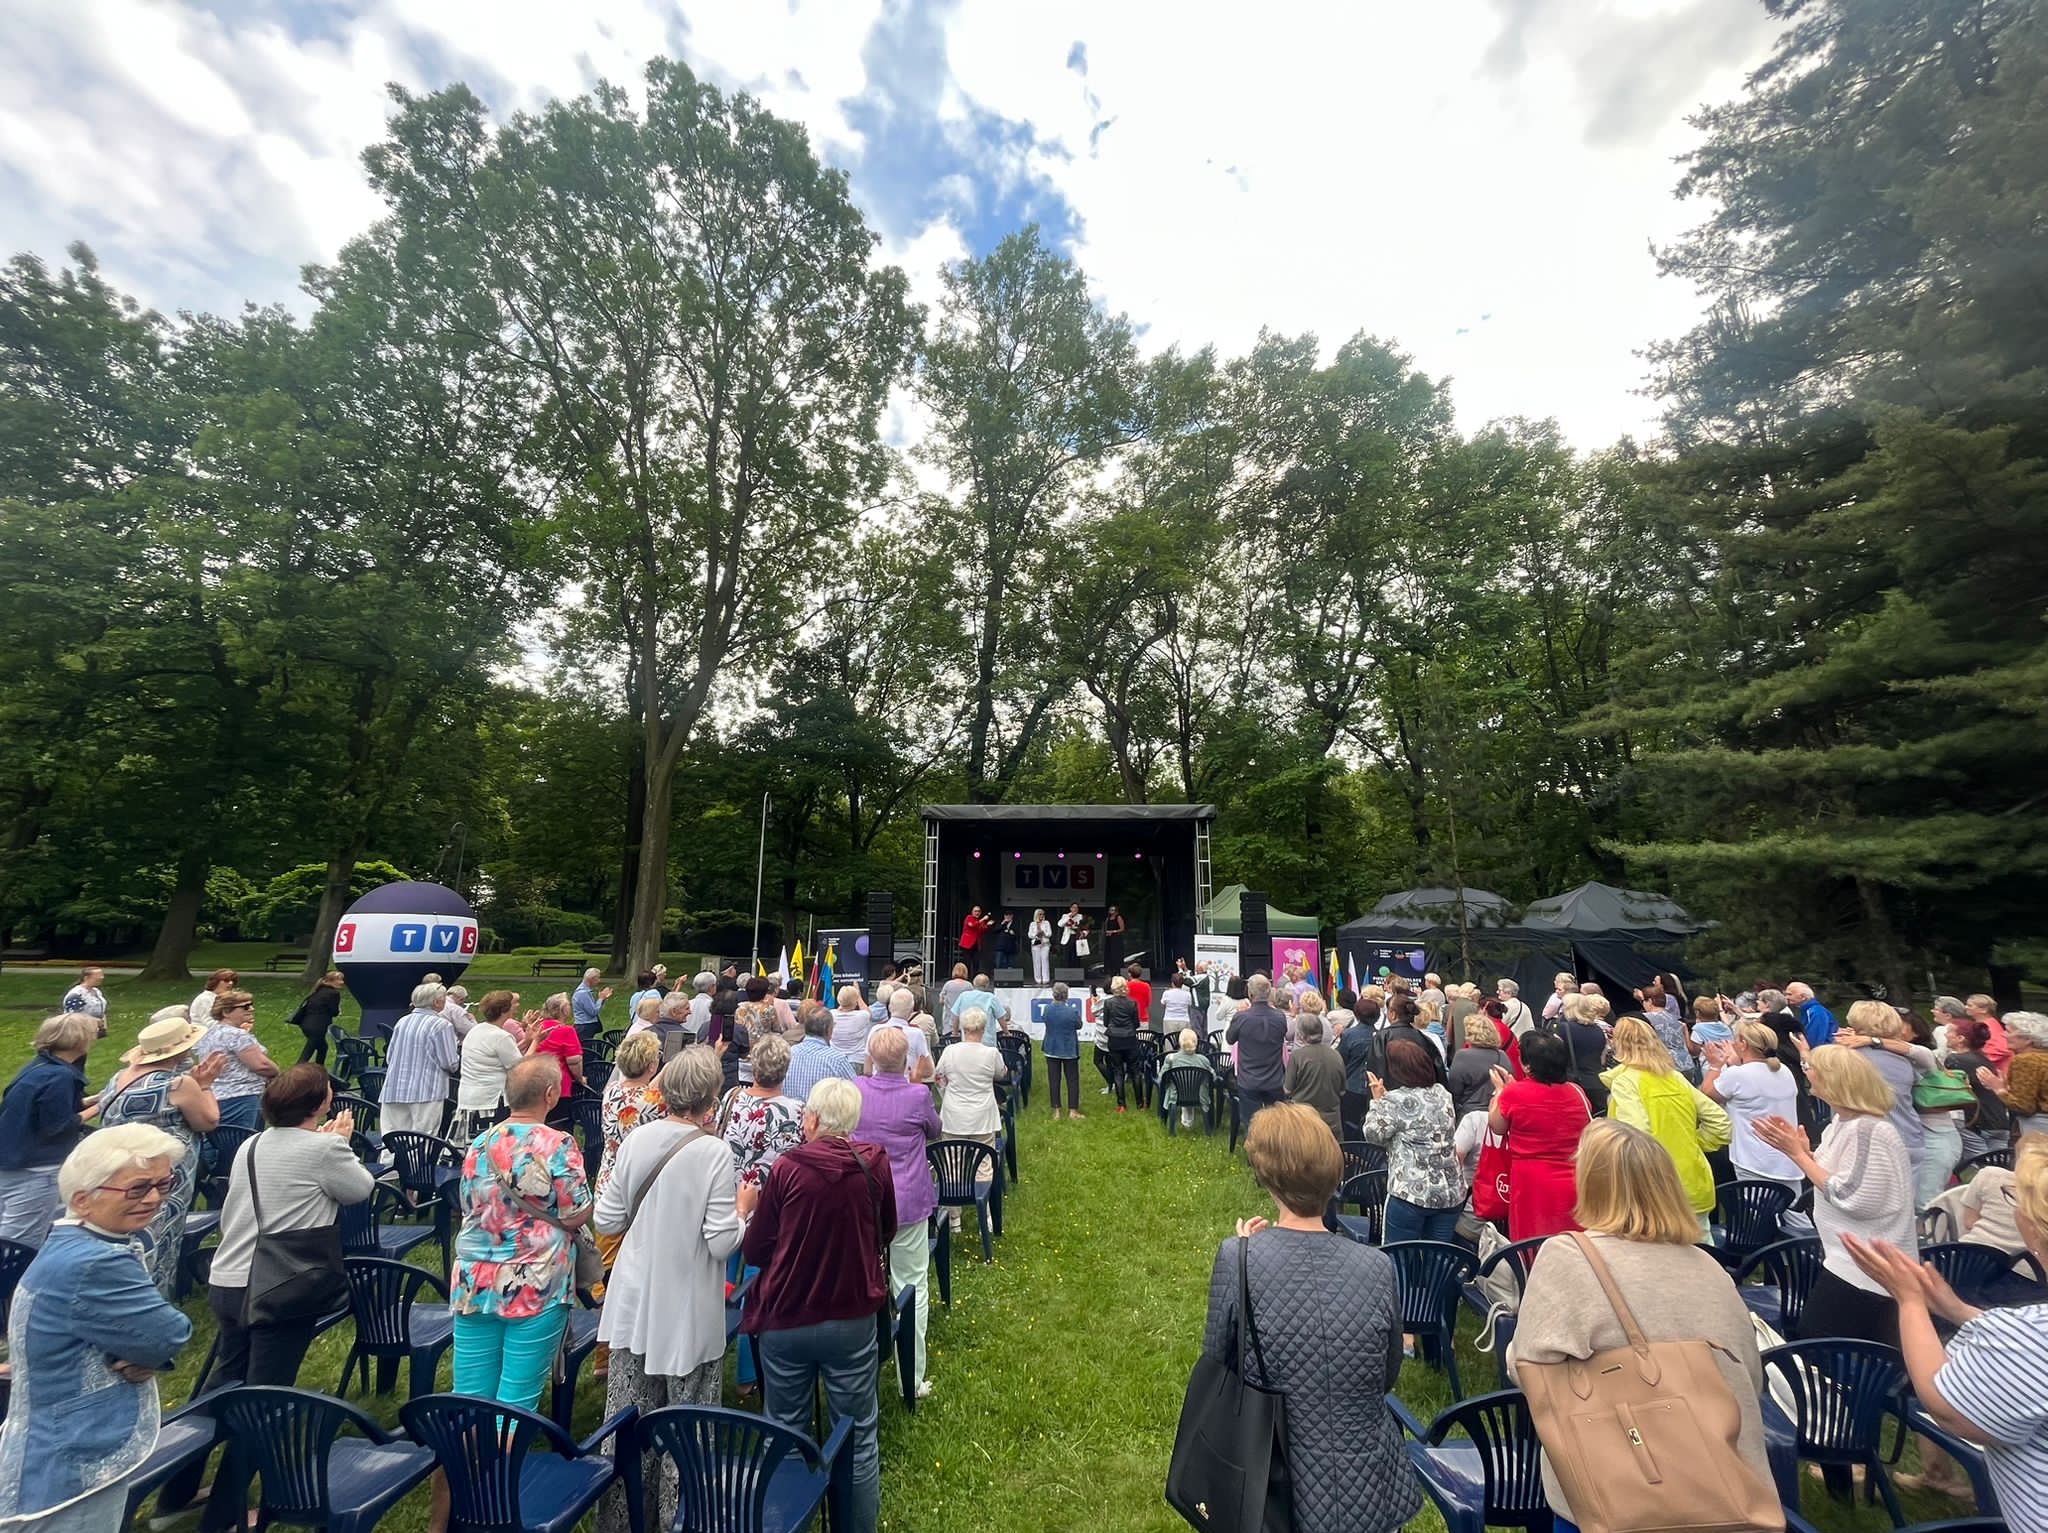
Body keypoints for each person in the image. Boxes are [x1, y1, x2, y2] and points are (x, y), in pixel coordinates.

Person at [1506, 1120, 1774, 1525]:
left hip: (1617, 1490)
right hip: (1724, 1485)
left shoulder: (1568, 1257)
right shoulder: (1710, 1266)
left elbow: (1527, 1369)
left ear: (1590, 1184)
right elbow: (1750, 1377)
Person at [1200, 1103, 1417, 1533]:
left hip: (1270, 1473)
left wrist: (1246, 1256)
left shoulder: (1237, 1257)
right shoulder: (1378, 1267)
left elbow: (1217, 1366)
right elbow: (1387, 1372)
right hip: (1368, 1483)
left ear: (1267, 1178)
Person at [1840, 1136, 2048, 1526]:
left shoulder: (2029, 1335)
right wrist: (1957, 1310)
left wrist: (1911, 1301)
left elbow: (1947, 1408)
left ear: (2034, 1231)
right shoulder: (2026, 1332)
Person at [0, 1125, 194, 1533]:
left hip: (51, 1440)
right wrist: (145, 1351)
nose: (156, 1198)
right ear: (82, 1200)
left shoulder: (75, 1242)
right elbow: (170, 1333)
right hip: (71, 1458)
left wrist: (139, 1351)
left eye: (164, 1183)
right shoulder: (96, 1263)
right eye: (138, 1189)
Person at [595, 1047, 746, 1533]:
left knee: (628, 1419)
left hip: (634, 1299)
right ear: (711, 1097)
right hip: (685, 1306)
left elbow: (606, 1218)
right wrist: (746, 1210)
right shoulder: (713, 1152)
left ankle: (622, 1519)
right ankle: (680, 1518)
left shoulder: (638, 1139)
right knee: (688, 1427)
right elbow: (721, 1241)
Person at [743, 1077, 892, 1533]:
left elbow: (757, 1247)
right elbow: (886, 1229)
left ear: (812, 1119)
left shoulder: (788, 1168)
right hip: (850, 1313)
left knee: (786, 1431)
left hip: (788, 1313)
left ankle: (787, 1521)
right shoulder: (873, 1163)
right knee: (858, 1435)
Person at [207, 1064, 375, 1386]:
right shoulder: (325, 1148)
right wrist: (341, 1143)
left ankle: (203, 1430)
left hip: (229, 1274)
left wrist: (325, 1144)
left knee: (230, 1372)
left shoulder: (251, 1145)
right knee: (268, 1383)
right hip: (282, 1282)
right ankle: (256, 1435)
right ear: (318, 1105)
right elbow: (359, 1189)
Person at [450, 1057, 592, 1411]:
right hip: (536, 1282)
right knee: (516, 1399)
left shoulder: (479, 1144)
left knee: (468, 1394)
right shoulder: (557, 1143)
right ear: (550, 1095)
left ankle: (462, 1459)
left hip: (474, 1279)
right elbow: (575, 1213)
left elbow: (468, 1202)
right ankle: (501, 1463)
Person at [1751, 1045, 1915, 1348]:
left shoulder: (1869, 1131)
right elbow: (1844, 1176)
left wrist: (1799, 1156)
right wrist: (1806, 1153)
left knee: (1820, 1349)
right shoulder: (1842, 1123)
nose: (1805, 1071)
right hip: (1847, 1261)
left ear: (1834, 1080)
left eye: (1810, 1066)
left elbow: (1854, 1197)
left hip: (1867, 1272)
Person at [94, 1015, 225, 1295]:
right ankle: (153, 1299)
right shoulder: (177, 1085)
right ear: (182, 1050)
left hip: (121, 1169)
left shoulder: (120, 1078)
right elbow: (209, 1120)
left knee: (130, 1234)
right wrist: (206, 1084)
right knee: (161, 1236)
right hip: (165, 1175)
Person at [855, 1027, 941, 1399]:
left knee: (865, 1280)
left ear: (872, 1059)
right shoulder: (917, 1094)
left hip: (864, 1200)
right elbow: (936, 1132)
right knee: (912, 1284)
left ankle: (874, 1370)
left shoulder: (859, 1089)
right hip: (903, 1201)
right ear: (906, 1061)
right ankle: (913, 1376)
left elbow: (933, 1130)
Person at [1602, 1015, 1731, 1237]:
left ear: (1618, 1043)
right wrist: (1690, 1142)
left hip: (1654, 1188)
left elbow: (1635, 1136)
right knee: (1703, 1257)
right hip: (1693, 1180)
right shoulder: (1675, 1078)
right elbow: (1721, 1124)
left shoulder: (1626, 1081)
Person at [0, 1013, 101, 1246]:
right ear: (80, 1041)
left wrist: (95, 1099)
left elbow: (49, 1107)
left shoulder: (39, 1067)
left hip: (10, 1158)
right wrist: (100, 1107)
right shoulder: (61, 1077)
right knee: (20, 1241)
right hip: (36, 1169)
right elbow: (57, 1125)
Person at [1489, 1032, 1593, 1242]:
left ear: (1527, 1066)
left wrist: (1500, 1091)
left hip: (1531, 1180)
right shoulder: (1576, 1091)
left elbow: (1497, 1126)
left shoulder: (1514, 1093)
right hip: (1575, 1175)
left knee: (1532, 1239)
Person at [1361, 1038, 1464, 1243]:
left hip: (1410, 1192)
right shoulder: (1442, 1094)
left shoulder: (1394, 1101)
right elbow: (1416, 1117)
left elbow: (1372, 1134)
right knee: (1436, 1260)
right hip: (1449, 1191)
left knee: (1401, 1257)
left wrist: (1378, 1102)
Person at [1700, 1020, 1805, 1221]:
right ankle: (1808, 1250)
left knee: (1757, 1218)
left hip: (1753, 1158)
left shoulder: (1737, 1075)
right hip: (1788, 1158)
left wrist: (1715, 1065)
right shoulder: (1784, 1071)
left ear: (1743, 1044)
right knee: (1796, 1218)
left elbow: (1707, 1093)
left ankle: (1765, 1250)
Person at [721, 1032, 804, 1191]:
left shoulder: (732, 1097)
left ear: (754, 1065)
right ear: (785, 1069)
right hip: (773, 1200)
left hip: (729, 1194)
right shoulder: (798, 1111)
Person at [192, 989, 279, 1131]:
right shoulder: (236, 1035)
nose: (251, 1009)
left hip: (216, 1096)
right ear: (226, 1012)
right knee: (243, 1143)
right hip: (242, 1097)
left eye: (251, 1005)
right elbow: (261, 1065)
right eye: (245, 1007)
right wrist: (276, 1072)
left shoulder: (211, 1033)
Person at [384, 980, 460, 1137]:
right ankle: (417, 1162)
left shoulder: (402, 1022)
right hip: (427, 1089)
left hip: (394, 1086)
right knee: (423, 1138)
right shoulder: (441, 1025)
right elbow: (449, 1063)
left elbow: (389, 1056)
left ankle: (388, 1162)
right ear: (437, 1002)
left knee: (393, 1137)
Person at [457, 990, 527, 1140]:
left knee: (472, 1148)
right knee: (491, 1146)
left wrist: (528, 1040)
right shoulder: (501, 1036)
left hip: (468, 1097)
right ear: (504, 1010)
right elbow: (520, 1067)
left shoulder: (476, 1030)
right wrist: (535, 1041)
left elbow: (502, 1055)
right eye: (513, 1004)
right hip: (490, 1102)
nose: (517, 1006)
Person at [1945, 1016, 2011, 1161]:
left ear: (1960, 1038)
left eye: (1949, 1032)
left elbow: (1949, 1091)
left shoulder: (1955, 1060)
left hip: (1975, 1122)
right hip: (1999, 1121)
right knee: (2000, 1167)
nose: (1945, 1035)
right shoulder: (1984, 1059)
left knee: (1982, 1168)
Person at [1976, 1010, 2048, 1138]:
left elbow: (2023, 1106)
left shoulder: (2026, 1060)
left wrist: (1999, 1089)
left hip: (2039, 1127)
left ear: (2027, 1039)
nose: (2003, 1035)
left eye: (2008, 1031)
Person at [1227, 974, 1289, 1119]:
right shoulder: (1280, 1017)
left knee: (1252, 1123)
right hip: (1274, 1079)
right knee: (1275, 1124)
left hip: (1249, 1080)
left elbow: (1230, 1039)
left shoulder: (1241, 1017)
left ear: (1250, 994)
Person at [1283, 1012, 1345, 1138]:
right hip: (1331, 1123)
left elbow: (1287, 1090)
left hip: (1303, 1120)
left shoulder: (1297, 1056)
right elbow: (1342, 1090)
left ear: (1301, 1035)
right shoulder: (1336, 1055)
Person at [786, 998, 858, 1101]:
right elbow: (855, 1091)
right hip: (823, 1115)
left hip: (791, 1114)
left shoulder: (788, 1053)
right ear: (829, 1030)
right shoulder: (837, 1060)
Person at [528, 992, 588, 1113]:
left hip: (536, 1082)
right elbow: (574, 1061)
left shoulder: (537, 1028)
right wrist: (580, 1079)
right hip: (559, 1085)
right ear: (563, 1010)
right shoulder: (566, 1030)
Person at [1446, 1012, 1511, 1124]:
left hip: (1469, 1116)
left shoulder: (1462, 1056)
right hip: (1496, 1114)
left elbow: (1454, 1091)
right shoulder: (1502, 1055)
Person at [1554, 992, 1612, 1113]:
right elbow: (1602, 1058)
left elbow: (1554, 1055)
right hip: (1597, 1082)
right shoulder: (1598, 1030)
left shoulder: (1564, 1028)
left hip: (1574, 1084)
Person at [863, 987, 935, 1083]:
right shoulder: (917, 1033)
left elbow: (867, 1070)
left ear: (889, 1007)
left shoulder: (875, 1030)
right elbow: (928, 1070)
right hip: (906, 1087)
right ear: (911, 1009)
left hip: (879, 1086)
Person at [1157, 1028, 1216, 1129]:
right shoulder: (1203, 1060)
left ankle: (1175, 1124)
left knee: (1171, 1088)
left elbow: (1161, 1077)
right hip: (1199, 1095)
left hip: (1176, 1096)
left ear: (1179, 1042)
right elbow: (1213, 1077)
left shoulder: (1171, 1059)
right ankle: (1200, 1125)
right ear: (1196, 1043)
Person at [288, 969, 347, 1065]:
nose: (342, 982)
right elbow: (334, 1012)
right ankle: (297, 1072)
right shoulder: (334, 993)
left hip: (306, 1024)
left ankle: (319, 1068)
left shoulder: (318, 990)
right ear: (330, 981)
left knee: (323, 1047)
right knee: (306, 1054)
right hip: (318, 1026)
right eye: (339, 980)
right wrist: (338, 1011)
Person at [946, 972, 1009, 1041]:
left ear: (974, 984)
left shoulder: (963, 996)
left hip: (967, 1040)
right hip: (987, 1042)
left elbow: (955, 1016)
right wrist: (1006, 1032)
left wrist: (955, 1032)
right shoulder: (991, 998)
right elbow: (1001, 1019)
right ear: (987, 985)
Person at [1786, 980, 1838, 1046]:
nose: (1786, 997)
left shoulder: (1816, 1012)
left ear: (1803, 997)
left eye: (1790, 994)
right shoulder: (1807, 1011)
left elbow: (1814, 1041)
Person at [829, 983, 873, 1062]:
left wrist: (844, 1001)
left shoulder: (831, 1014)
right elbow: (868, 1012)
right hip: (857, 1060)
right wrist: (858, 995)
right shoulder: (861, 1016)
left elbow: (842, 1006)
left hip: (835, 1059)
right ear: (855, 1002)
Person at [572, 968, 613, 1037]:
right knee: (587, 1047)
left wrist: (603, 999)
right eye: (598, 978)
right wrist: (601, 999)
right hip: (584, 1027)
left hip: (585, 1026)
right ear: (591, 979)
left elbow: (594, 1008)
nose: (599, 981)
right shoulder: (583, 993)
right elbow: (593, 1012)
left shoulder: (585, 992)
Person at [1027, 908, 1053, 984]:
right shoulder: (1032, 924)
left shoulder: (1047, 923)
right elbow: (1030, 935)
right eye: (1040, 914)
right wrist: (1036, 934)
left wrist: (1043, 932)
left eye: (1043, 914)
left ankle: (1046, 979)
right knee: (1036, 962)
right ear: (1036, 915)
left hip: (1045, 944)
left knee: (1045, 960)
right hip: (1036, 944)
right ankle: (1038, 979)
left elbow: (1049, 934)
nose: (1042, 915)